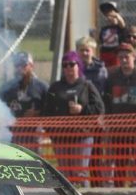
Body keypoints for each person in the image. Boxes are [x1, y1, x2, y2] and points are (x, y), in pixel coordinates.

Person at [43, 50, 105, 186]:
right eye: (65, 65)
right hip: (61, 137)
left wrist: (82, 109)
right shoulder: (55, 87)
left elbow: (99, 108)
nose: (68, 68)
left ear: (79, 66)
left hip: (82, 136)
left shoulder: (87, 86)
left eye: (72, 64)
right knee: (64, 174)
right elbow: (47, 111)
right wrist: (52, 132)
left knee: (80, 173)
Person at [102, 43, 136, 186]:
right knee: (120, 163)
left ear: (134, 57)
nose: (123, 60)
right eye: (121, 57)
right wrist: (109, 123)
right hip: (118, 128)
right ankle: (119, 192)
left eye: (127, 56)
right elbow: (108, 102)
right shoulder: (112, 78)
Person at [0, 51, 48, 152]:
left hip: (33, 134)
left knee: (33, 163)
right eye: (17, 65)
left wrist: (38, 113)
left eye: (23, 65)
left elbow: (50, 109)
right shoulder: (7, 87)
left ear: (31, 66)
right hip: (12, 134)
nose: (19, 68)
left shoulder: (41, 87)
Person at [97, 1, 127, 68]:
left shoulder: (119, 27)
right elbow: (100, 41)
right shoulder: (104, 28)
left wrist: (116, 16)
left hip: (115, 53)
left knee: (115, 69)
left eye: (110, 11)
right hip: (104, 53)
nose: (109, 16)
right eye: (106, 13)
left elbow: (122, 24)